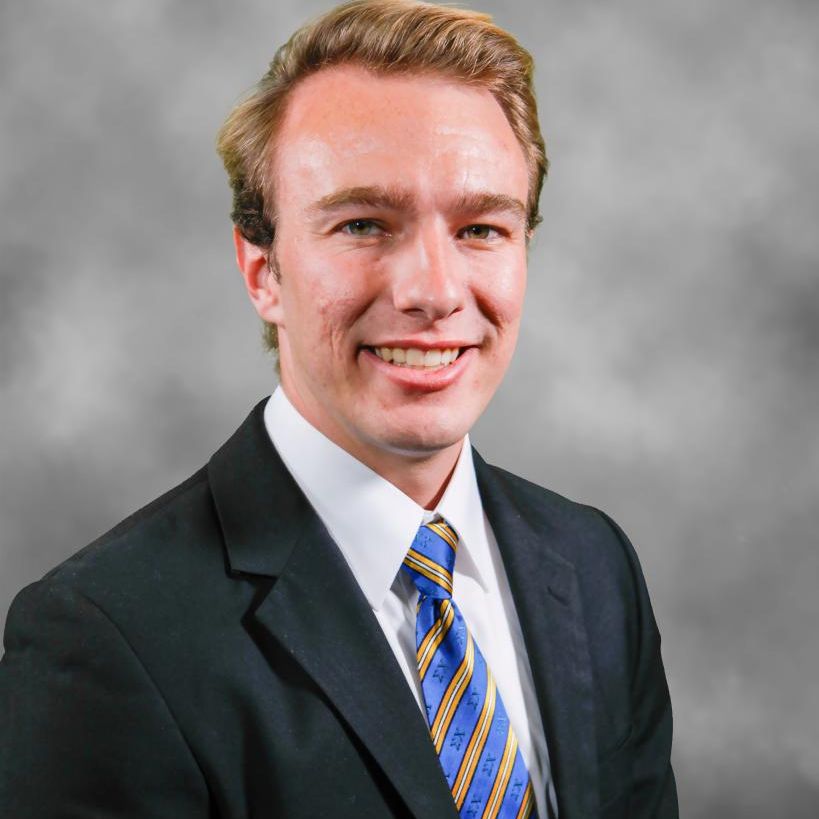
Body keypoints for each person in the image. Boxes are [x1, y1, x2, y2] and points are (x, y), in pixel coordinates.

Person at [0, 1, 678, 817]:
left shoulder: (594, 565)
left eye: (480, 229)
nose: (433, 291)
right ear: (263, 271)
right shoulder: (105, 636)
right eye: (363, 224)